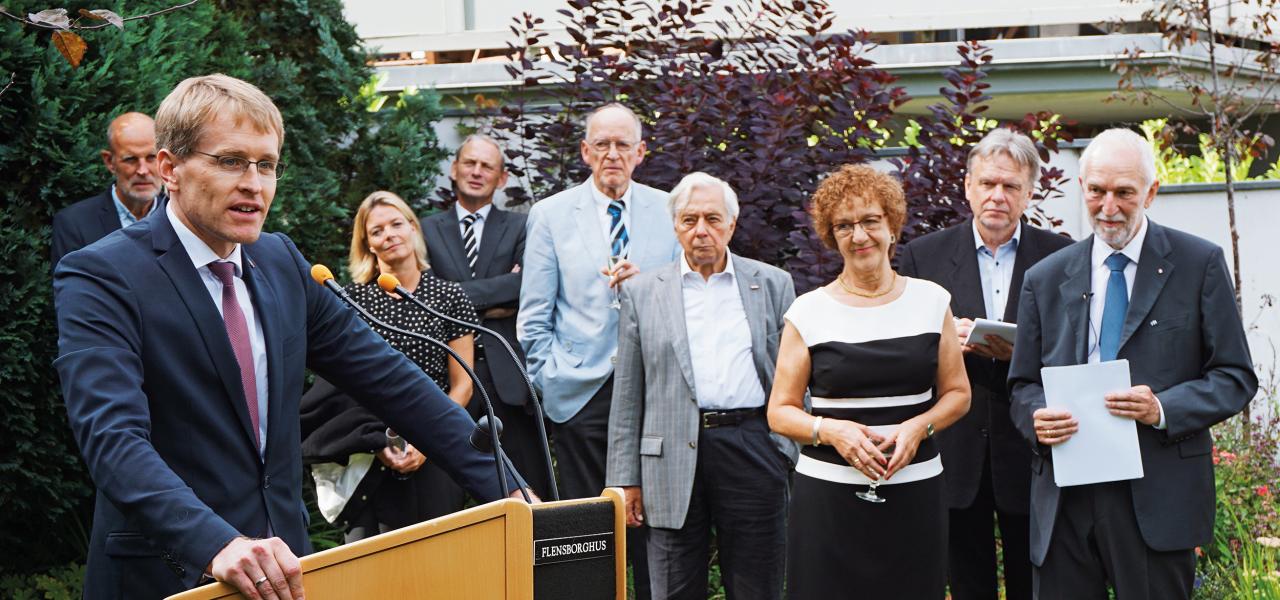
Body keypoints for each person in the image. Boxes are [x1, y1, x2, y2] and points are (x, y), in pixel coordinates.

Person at [53, 74, 525, 600]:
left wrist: (511, 489)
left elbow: (391, 380)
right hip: (167, 574)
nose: (254, 183)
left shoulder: (281, 262)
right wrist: (216, 542)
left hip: (286, 573)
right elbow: (112, 438)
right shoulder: (101, 274)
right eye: (231, 161)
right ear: (170, 168)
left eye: (267, 164)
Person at [1008, 128, 1257, 599]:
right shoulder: (1045, 278)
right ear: (1082, 187)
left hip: (1157, 493)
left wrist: (1161, 407)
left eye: (1124, 193)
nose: (1108, 207)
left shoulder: (1198, 263)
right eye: (1097, 191)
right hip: (1065, 497)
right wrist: (1037, 418)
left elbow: (1235, 376)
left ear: (1152, 191)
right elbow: (1021, 385)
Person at [767, 164, 971, 600]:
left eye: (870, 221)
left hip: (915, 493)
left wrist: (920, 426)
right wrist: (829, 430)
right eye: (844, 225)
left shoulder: (932, 301)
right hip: (827, 502)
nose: (859, 236)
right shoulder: (807, 312)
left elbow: (958, 394)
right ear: (831, 235)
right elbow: (780, 411)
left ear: (892, 225)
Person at [896, 129, 1072, 600]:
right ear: (968, 186)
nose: (998, 196)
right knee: (966, 582)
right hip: (955, 447)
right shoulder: (922, 256)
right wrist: (941, 343)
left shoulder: (1061, 256)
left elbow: (1076, 348)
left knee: (1033, 581)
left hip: (1032, 446)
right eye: (988, 183)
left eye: (1011, 186)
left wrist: (1024, 349)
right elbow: (903, 351)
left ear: (1029, 193)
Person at [606, 172, 797, 600]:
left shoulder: (771, 284)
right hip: (667, 456)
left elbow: (793, 374)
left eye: (712, 218)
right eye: (689, 219)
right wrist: (625, 479)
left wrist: (788, 449)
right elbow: (628, 393)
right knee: (673, 586)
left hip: (752, 445)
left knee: (758, 584)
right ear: (675, 226)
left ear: (732, 223)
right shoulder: (642, 292)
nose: (701, 230)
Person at [519, 102, 680, 599]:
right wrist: (550, 381)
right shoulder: (549, 214)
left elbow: (685, 296)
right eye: (602, 145)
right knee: (591, 534)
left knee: (655, 533)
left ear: (640, 152)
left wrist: (650, 283)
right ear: (586, 151)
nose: (613, 154)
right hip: (581, 393)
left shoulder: (670, 208)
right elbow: (534, 316)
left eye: (623, 145)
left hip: (654, 391)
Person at [301, 190, 479, 541]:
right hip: (372, 450)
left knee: (440, 561)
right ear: (368, 244)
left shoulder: (449, 296)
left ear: (413, 228)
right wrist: (379, 440)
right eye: (377, 230)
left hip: (437, 445)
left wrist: (431, 437)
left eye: (397, 224)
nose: (390, 235)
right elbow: (342, 383)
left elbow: (464, 383)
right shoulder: (351, 301)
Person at [423, 134, 550, 497]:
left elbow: (528, 286)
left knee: (528, 495)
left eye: (487, 166)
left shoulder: (523, 226)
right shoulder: (426, 229)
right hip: (447, 379)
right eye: (470, 163)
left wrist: (451, 295)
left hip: (508, 380)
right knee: (445, 501)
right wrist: (497, 295)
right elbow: (423, 295)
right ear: (454, 168)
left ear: (502, 178)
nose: (476, 172)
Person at [51, 112, 165, 267]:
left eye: (151, 157)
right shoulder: (74, 224)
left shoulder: (183, 217)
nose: (143, 170)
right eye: (130, 159)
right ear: (109, 162)